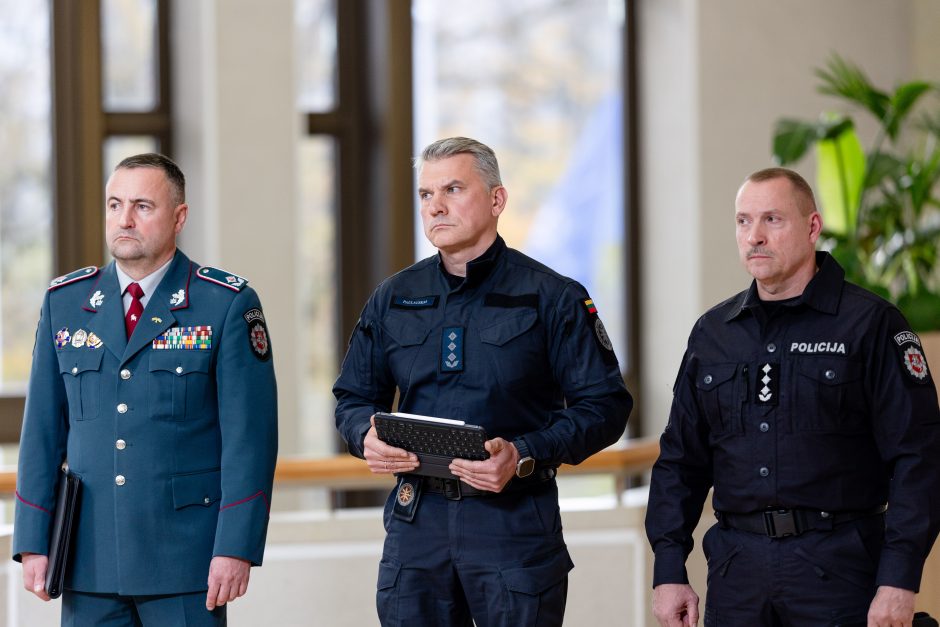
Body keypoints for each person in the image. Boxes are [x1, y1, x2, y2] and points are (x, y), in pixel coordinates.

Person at [334, 136, 632, 626]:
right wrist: (363, 434)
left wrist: (524, 453)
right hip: (417, 525)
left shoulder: (551, 297)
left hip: (513, 525)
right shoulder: (393, 297)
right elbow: (352, 396)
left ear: (497, 200)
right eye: (426, 195)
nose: (436, 206)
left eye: (453, 188)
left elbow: (605, 407)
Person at [645, 167, 940, 627]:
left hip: (840, 571)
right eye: (744, 221)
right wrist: (668, 571)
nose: (755, 236)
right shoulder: (713, 334)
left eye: (772, 220)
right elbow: (680, 461)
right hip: (737, 573)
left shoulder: (872, 325)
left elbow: (918, 459)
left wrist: (899, 580)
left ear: (812, 227)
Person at [13, 153, 279, 626]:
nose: (124, 220)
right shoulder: (67, 303)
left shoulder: (225, 304)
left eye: (142, 206)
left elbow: (250, 441)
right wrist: (34, 541)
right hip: (88, 558)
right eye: (114, 205)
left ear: (179, 217)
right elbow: (40, 434)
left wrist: (236, 546)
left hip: (186, 559)